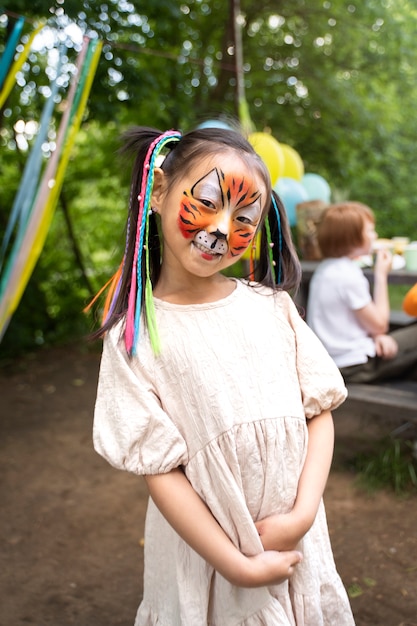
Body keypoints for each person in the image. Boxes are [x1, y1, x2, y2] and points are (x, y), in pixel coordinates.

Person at [92, 126, 355, 625]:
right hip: (210, 562)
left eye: (245, 218)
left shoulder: (273, 308)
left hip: (294, 541)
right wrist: (237, 564)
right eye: (208, 202)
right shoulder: (136, 335)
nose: (219, 230)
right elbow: (160, 469)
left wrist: (299, 518)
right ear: (160, 192)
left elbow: (319, 412)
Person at [307, 201, 417, 383]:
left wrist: (377, 335)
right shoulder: (348, 275)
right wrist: (381, 276)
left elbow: (369, 324)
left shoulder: (325, 269)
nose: (375, 236)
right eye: (370, 231)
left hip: (332, 361)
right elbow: (381, 324)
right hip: (354, 366)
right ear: (352, 237)